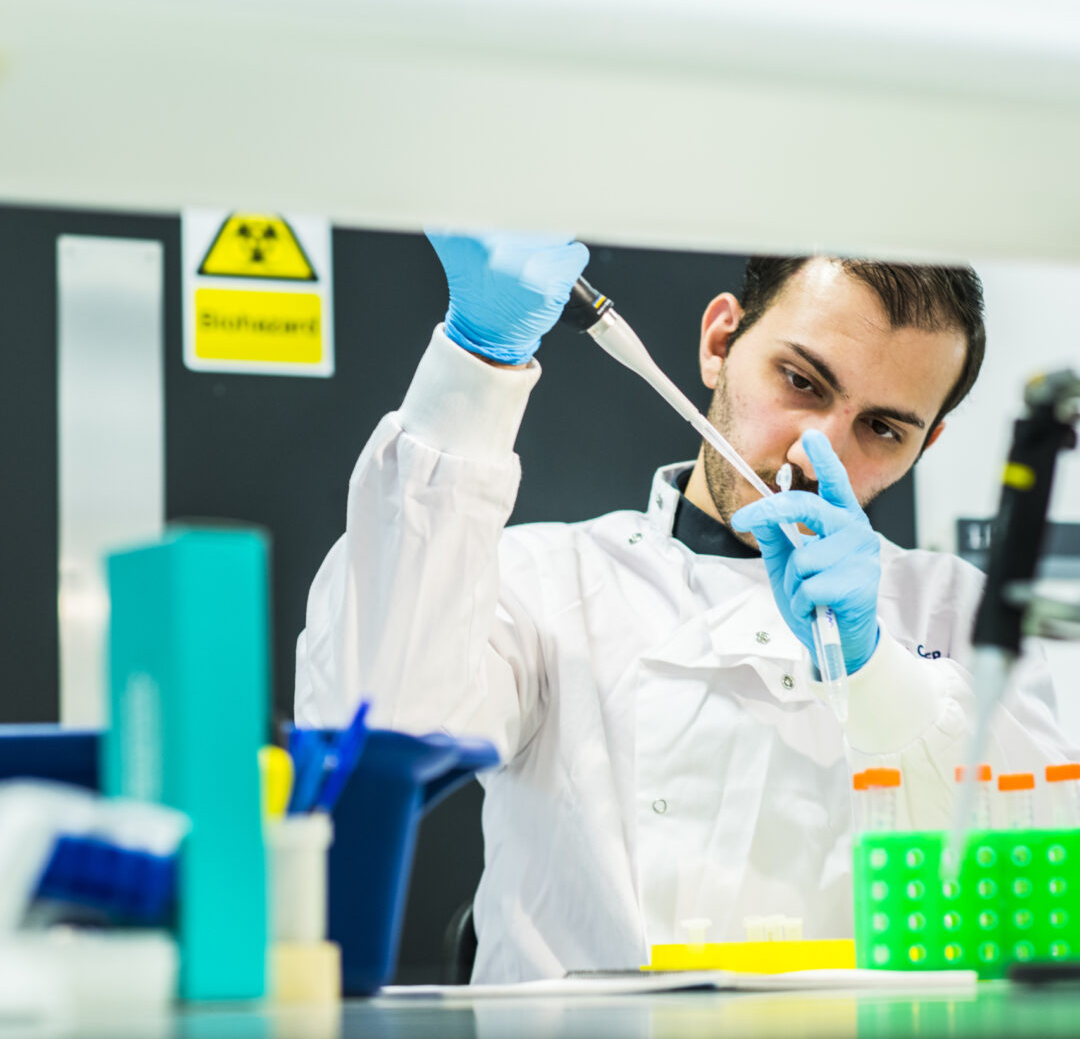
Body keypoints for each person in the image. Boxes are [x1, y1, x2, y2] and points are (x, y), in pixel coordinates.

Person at [295, 232, 1074, 982]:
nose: (816, 453)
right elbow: (374, 717)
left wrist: (878, 673)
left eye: (881, 428)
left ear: (925, 446)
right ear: (720, 341)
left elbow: (1034, 880)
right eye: (801, 382)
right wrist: (476, 367)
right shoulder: (547, 581)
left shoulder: (958, 616)